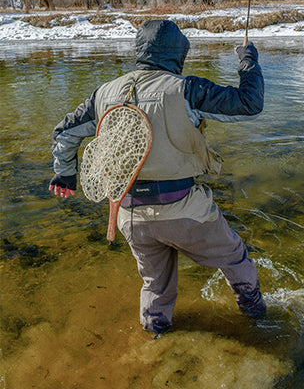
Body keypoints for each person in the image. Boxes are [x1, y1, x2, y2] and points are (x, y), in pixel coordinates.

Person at [49, 19, 266, 337]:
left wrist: (64, 174)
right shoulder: (187, 89)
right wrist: (248, 61)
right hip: (185, 211)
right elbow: (250, 104)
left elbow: (64, 132)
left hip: (130, 216)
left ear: (140, 50)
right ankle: (258, 318)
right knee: (235, 258)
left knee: (155, 285)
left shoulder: (104, 93)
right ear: (179, 54)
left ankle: (155, 338)